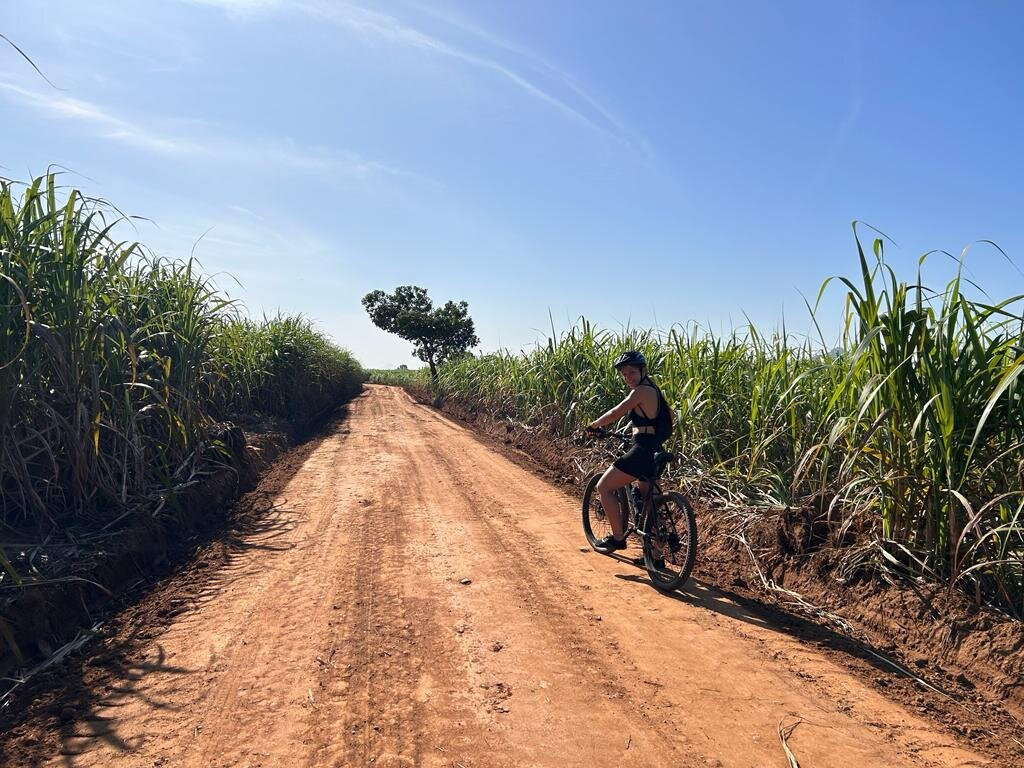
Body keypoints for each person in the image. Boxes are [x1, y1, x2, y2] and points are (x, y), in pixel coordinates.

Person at [585, 350, 671, 552]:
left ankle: (617, 538)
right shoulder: (654, 390)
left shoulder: (641, 391)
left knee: (604, 487)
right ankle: (656, 558)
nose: (628, 378)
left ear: (642, 370)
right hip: (655, 449)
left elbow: (617, 412)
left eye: (631, 372)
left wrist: (595, 425)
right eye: (624, 375)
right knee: (651, 504)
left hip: (642, 451)